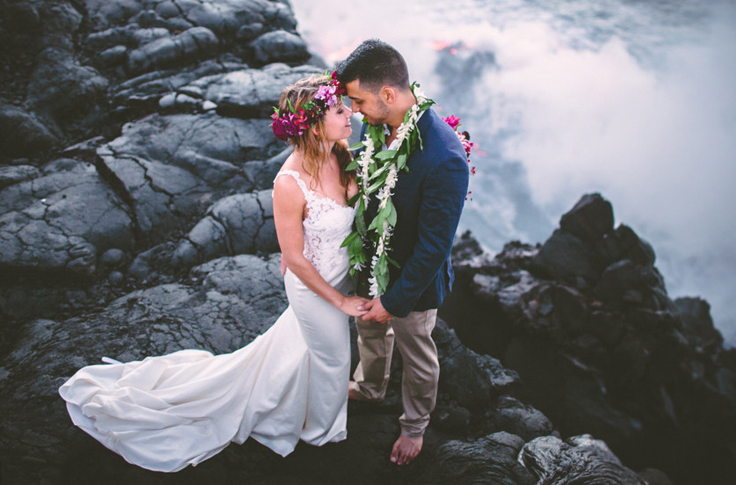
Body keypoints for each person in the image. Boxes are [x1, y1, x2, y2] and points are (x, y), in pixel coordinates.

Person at [58, 74, 368, 472]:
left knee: (298, 353)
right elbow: (293, 256)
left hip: (339, 273)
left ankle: (303, 410)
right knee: (334, 359)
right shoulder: (289, 184)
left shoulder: (342, 155)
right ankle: (322, 435)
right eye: (339, 110)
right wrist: (340, 300)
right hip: (313, 286)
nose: (349, 113)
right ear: (311, 125)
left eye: (346, 107)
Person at [338, 39, 469, 466]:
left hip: (413, 283)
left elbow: (434, 247)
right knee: (370, 331)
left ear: (388, 95)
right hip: (370, 261)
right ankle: (371, 386)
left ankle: (414, 425)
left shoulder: (445, 158)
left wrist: (393, 302)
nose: (354, 111)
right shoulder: (377, 122)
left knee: (417, 350)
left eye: (357, 101)